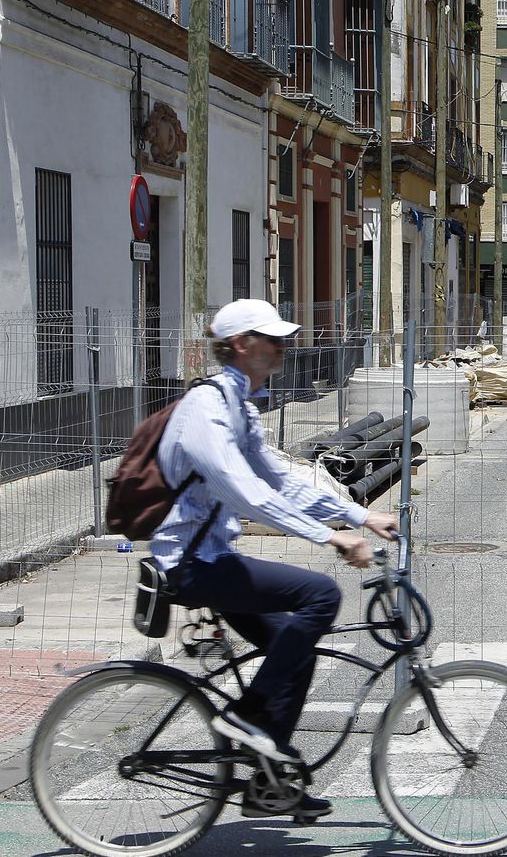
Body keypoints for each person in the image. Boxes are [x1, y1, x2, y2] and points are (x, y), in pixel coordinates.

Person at [151, 298, 399, 819]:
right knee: (321, 594)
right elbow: (246, 494)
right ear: (242, 345)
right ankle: (247, 721)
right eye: (273, 338)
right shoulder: (205, 408)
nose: (284, 347)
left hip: (215, 557)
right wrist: (329, 539)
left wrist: (358, 516)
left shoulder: (238, 405)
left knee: (298, 645)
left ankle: (269, 782)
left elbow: (282, 479)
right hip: (190, 564)